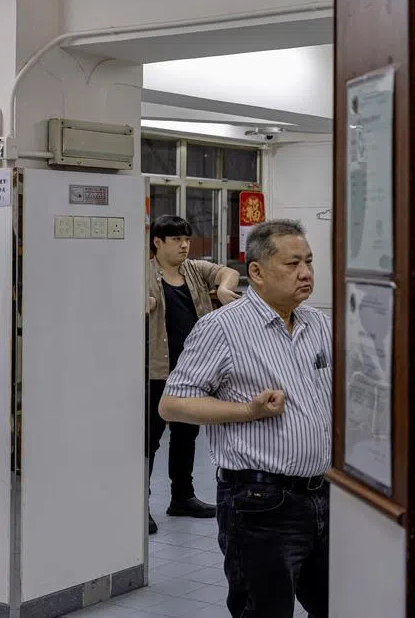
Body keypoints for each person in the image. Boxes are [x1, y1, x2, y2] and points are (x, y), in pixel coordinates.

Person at [159, 219, 331, 618]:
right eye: (292, 264)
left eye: (308, 262)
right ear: (256, 272)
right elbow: (172, 404)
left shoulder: (318, 324)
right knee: (265, 610)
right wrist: (248, 411)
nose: (305, 273)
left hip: (321, 497)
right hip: (260, 504)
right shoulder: (222, 328)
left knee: (339, 603)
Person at [145, 215, 241, 535]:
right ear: (158, 242)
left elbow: (227, 272)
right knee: (149, 441)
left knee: (186, 437)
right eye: (176, 240)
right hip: (157, 372)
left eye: (186, 239)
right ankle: (138, 504)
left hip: (191, 373)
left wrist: (225, 289)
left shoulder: (194, 270)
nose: (184, 245)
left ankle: (182, 497)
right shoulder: (142, 274)